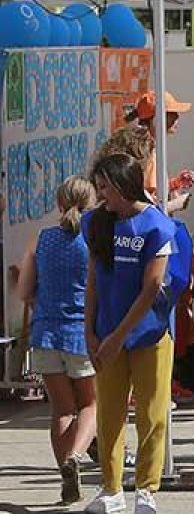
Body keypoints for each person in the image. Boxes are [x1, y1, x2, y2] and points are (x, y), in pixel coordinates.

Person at [82, 154, 179, 514]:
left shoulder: (156, 225)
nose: (101, 193)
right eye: (99, 186)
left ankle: (146, 490)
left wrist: (118, 335)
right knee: (108, 411)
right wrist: (89, 329)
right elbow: (93, 279)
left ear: (125, 184)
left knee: (151, 413)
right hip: (106, 334)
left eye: (106, 186)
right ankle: (111, 488)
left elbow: (152, 287)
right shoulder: (96, 223)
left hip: (149, 334)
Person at [15, 176, 97, 505]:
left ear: (59, 203)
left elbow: (23, 292)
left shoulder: (42, 239)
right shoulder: (93, 240)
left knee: (62, 410)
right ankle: (76, 457)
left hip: (46, 332)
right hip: (81, 332)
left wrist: (43, 299)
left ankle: (65, 471)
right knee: (91, 405)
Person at [128, 92, 194, 214]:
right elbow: (146, 208)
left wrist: (174, 184)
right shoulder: (147, 154)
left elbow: (150, 192)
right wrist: (177, 203)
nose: (177, 118)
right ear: (156, 119)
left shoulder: (145, 148)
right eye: (172, 113)